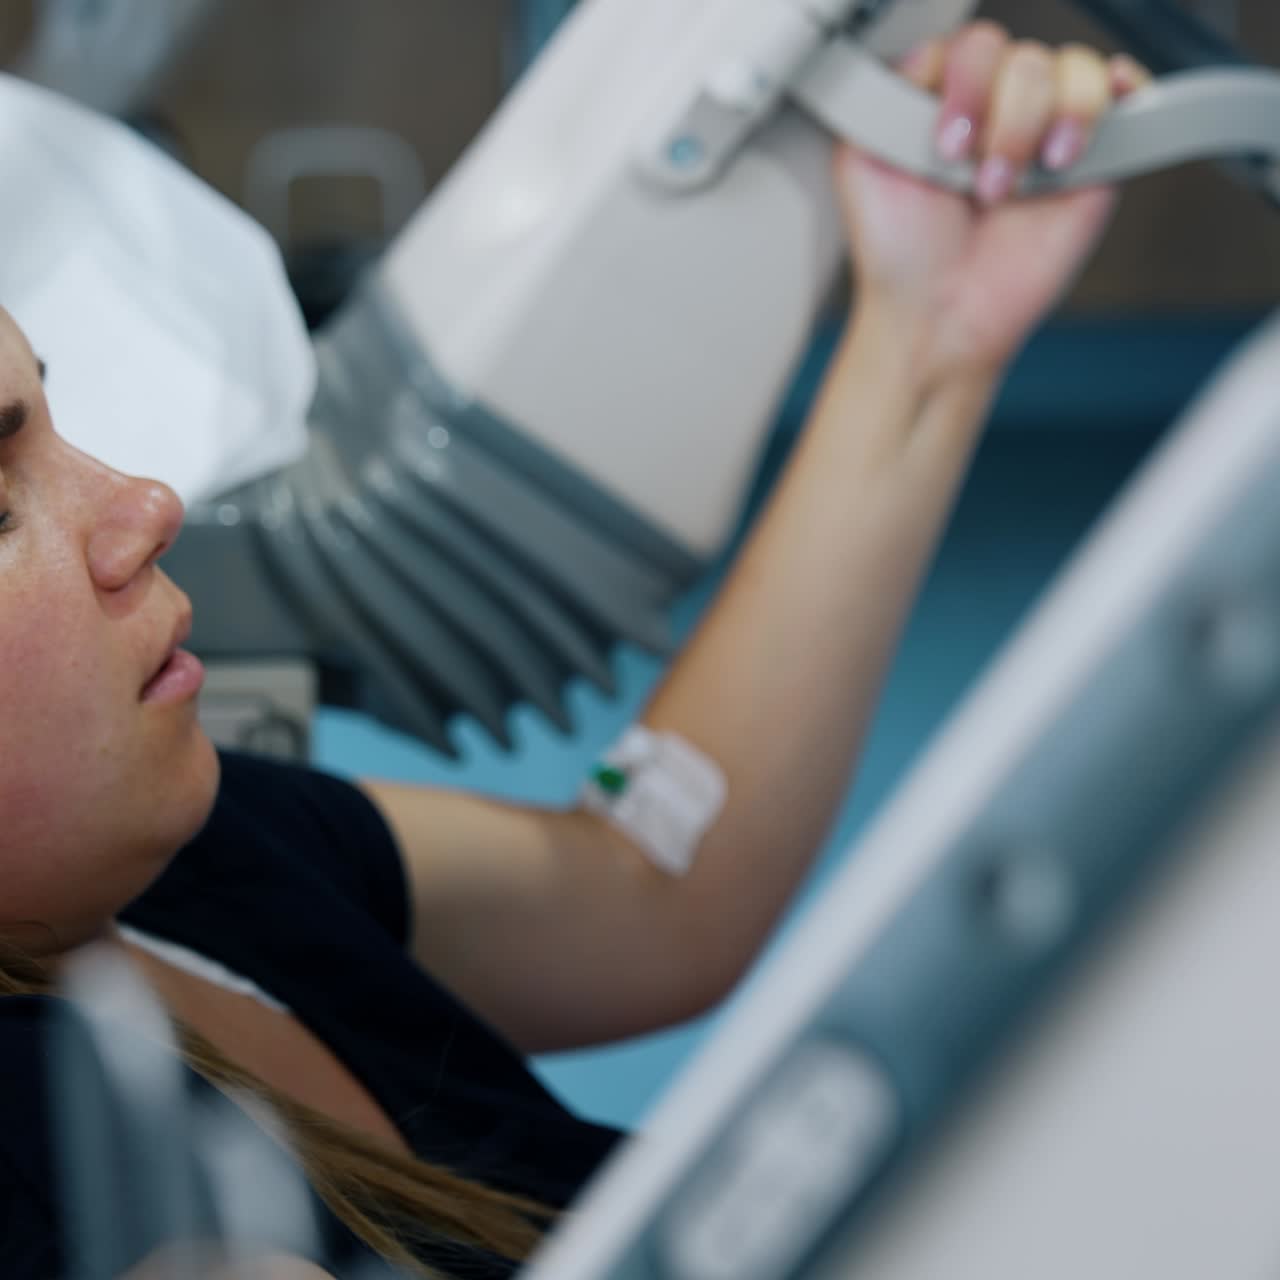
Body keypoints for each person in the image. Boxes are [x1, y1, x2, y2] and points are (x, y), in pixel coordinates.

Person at [0, 21, 1150, 1280]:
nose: (144, 504)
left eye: (58, 422)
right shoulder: (64, 1179)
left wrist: (925, 333)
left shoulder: (171, 866)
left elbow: (648, 882)